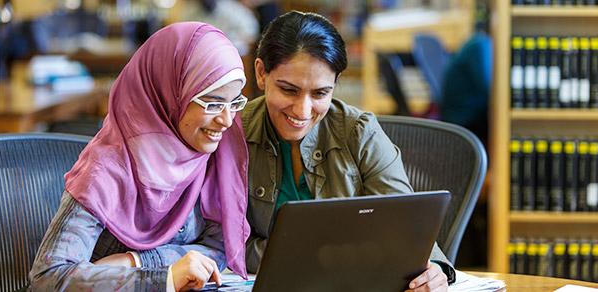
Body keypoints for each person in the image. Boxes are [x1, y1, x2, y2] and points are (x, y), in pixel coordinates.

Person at [241, 11, 455, 291]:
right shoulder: (234, 131)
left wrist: (434, 270)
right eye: (289, 90)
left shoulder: (359, 130)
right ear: (260, 73)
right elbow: (220, 242)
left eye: (320, 94)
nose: (303, 110)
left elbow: (405, 224)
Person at [29, 22, 250, 291]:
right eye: (213, 103)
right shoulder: (105, 169)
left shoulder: (211, 153)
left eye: (235, 102)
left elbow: (219, 246)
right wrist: (164, 279)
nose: (227, 120)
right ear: (171, 94)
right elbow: (49, 278)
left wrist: (136, 261)